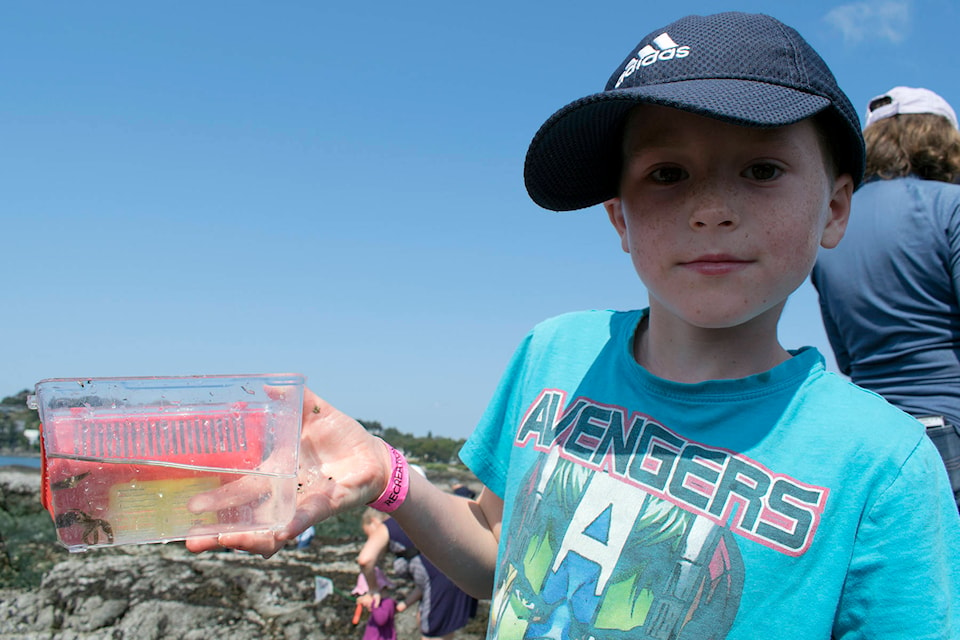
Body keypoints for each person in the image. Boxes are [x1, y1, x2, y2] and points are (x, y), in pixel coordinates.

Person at [186, 12, 960, 638]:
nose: (709, 206)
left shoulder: (885, 467)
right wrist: (390, 476)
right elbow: (498, 558)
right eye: (667, 173)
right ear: (619, 217)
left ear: (835, 209)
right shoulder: (555, 352)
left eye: (760, 169)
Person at [811, 86, 960, 509]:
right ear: (942, 138)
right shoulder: (951, 208)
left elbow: (847, 359)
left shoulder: (831, 230)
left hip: (871, 443)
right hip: (949, 438)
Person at [357, 508, 477, 640]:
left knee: (431, 634)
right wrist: (405, 603)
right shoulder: (409, 518)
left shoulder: (386, 526)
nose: (370, 539)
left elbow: (365, 560)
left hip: (440, 582)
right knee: (443, 630)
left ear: (374, 522)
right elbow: (425, 581)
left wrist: (373, 590)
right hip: (455, 575)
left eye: (369, 535)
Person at [352, 563, 398, 640]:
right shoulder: (379, 604)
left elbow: (381, 620)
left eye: (365, 593)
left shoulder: (387, 603)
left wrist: (373, 604)